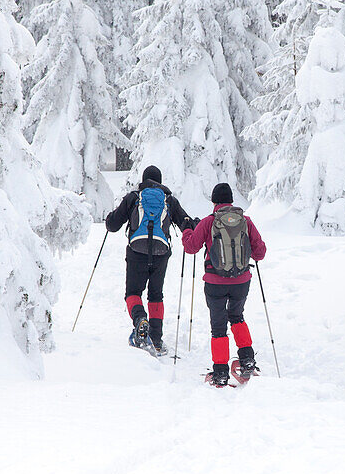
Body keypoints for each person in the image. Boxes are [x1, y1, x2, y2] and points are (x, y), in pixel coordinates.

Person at [182, 183, 267, 387]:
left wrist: (187, 230)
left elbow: (190, 247)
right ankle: (247, 360)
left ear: (214, 202)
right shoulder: (245, 222)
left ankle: (220, 372)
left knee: (218, 326)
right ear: (231, 200)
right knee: (237, 316)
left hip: (215, 282)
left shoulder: (209, 222)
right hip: (241, 281)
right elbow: (260, 253)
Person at [105, 165, 193, 355]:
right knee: (156, 295)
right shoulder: (169, 200)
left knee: (133, 292)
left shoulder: (134, 198)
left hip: (136, 251)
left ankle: (139, 320)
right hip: (161, 252)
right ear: (160, 181)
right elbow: (185, 222)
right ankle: (156, 339)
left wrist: (109, 218)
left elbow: (113, 225)